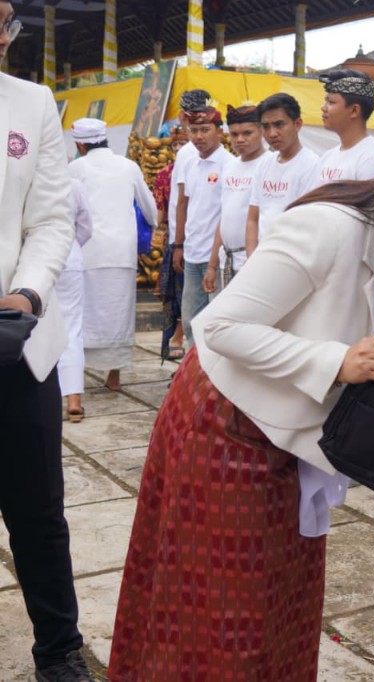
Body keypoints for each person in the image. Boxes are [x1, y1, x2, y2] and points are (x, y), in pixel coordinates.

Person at [107, 112, 374, 681]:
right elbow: (219, 326)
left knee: (278, 606)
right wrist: (336, 362)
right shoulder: (328, 227)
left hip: (292, 440)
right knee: (220, 612)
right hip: (227, 426)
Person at [0, 4, 91, 677]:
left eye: (4, 22)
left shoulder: (31, 103)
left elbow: (52, 219)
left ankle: (58, 651)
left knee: (37, 513)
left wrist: (27, 294)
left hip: (17, 343)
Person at [69, 118, 158, 392]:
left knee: (83, 314)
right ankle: (114, 377)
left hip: (88, 251)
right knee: (119, 312)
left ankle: (75, 378)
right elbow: (150, 209)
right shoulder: (128, 166)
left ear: (80, 145)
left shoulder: (75, 168)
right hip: (121, 251)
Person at [171, 102, 230, 345]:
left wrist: (214, 259)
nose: (198, 137)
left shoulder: (228, 164)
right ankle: (195, 366)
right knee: (190, 321)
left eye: (205, 130)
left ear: (220, 131)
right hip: (192, 253)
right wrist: (178, 245)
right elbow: (183, 204)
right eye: (193, 131)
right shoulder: (189, 163)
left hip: (217, 256)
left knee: (215, 321)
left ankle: (212, 368)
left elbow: (228, 214)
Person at [202, 104, 268, 295]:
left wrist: (255, 262)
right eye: (234, 134)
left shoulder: (270, 164)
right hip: (227, 261)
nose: (240, 139)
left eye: (247, 133)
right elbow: (225, 217)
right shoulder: (230, 166)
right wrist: (212, 265)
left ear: (261, 131)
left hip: (255, 263)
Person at [244, 93, 320, 255]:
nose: (272, 133)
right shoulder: (264, 164)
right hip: (260, 257)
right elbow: (253, 219)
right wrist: (252, 257)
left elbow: (308, 225)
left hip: (292, 258)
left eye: (279, 125)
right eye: (266, 127)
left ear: (297, 124)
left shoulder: (312, 165)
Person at [55, 178, 94, 422]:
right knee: (71, 329)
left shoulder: (27, 179)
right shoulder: (73, 184)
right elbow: (86, 227)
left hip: (30, 261)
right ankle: (73, 400)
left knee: (33, 329)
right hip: (68, 259)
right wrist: (70, 247)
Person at [313, 69, 374, 187]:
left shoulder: (373, 158)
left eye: (331, 102)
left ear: (354, 110)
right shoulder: (327, 157)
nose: (323, 108)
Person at [153, 127, 190, 360]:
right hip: (174, 237)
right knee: (173, 291)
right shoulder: (164, 174)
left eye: (183, 143)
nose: (179, 148)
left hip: (199, 236)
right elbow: (160, 210)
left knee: (189, 290)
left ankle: (180, 334)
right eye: (175, 144)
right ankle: (174, 336)